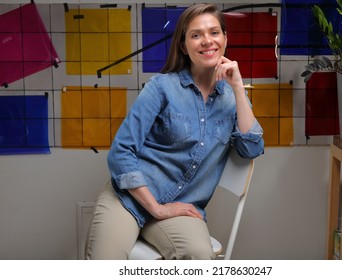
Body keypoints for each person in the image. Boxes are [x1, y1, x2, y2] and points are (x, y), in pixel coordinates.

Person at [85, 3, 264, 260]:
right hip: (128, 199)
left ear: (225, 38)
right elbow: (120, 153)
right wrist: (156, 208)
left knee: (200, 256)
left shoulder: (233, 98)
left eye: (214, 32)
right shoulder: (160, 87)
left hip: (181, 208)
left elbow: (251, 149)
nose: (207, 41)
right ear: (183, 45)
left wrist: (237, 87)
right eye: (196, 35)